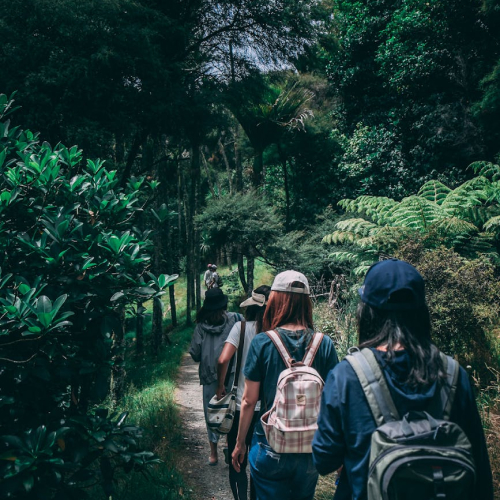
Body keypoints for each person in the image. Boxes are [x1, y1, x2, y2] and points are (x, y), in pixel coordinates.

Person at [312, 258, 494, 500]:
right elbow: (479, 468)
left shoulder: (347, 376)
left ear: (367, 312)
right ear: (422, 313)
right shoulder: (453, 375)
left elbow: (324, 459)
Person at [232, 270, 339, 500]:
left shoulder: (263, 342)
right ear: (306, 303)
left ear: (275, 301)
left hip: (271, 444)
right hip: (310, 447)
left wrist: (240, 443)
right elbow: (334, 401)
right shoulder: (324, 344)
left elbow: (249, 401)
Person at [217, 285, 272, 500]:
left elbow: (223, 359)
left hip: (241, 405)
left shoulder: (240, 328)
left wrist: (220, 386)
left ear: (250, 307)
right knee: (260, 461)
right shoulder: (275, 332)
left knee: (237, 458)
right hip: (267, 409)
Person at [189, 288, 243, 465]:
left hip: (209, 375)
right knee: (232, 409)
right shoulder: (236, 319)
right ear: (224, 305)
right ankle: (228, 443)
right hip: (232, 373)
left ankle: (213, 454)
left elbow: (195, 353)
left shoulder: (201, 326)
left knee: (211, 412)